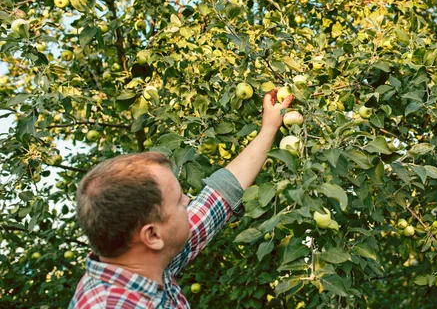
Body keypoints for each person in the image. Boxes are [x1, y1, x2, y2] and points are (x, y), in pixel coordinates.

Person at [69, 89, 293, 308]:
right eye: (178, 202)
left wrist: (269, 128)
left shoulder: (143, 263)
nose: (188, 201)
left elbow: (219, 195)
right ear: (152, 235)